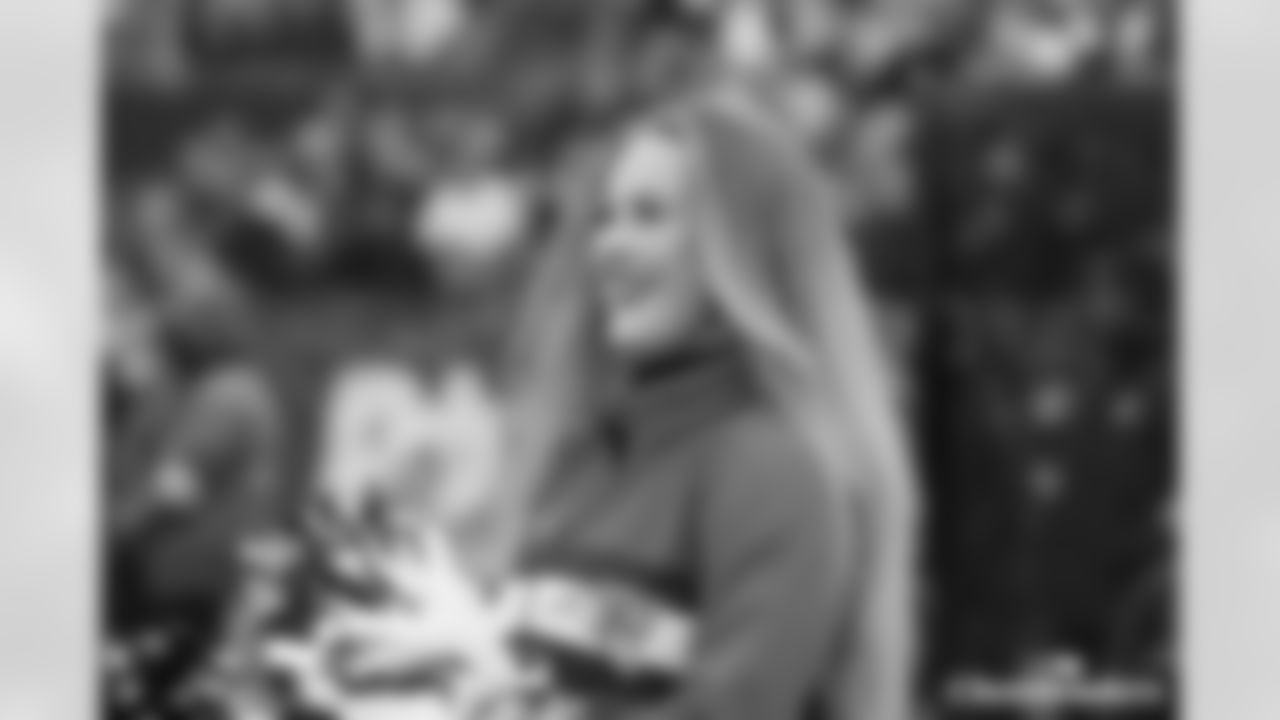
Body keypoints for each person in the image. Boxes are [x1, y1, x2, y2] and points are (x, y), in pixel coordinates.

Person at [494, 85, 922, 720]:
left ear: (740, 250)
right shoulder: (578, 457)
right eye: (605, 217)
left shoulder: (773, 470)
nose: (608, 246)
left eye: (648, 216)